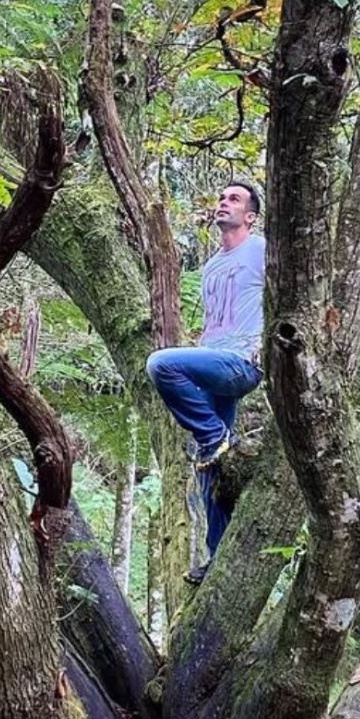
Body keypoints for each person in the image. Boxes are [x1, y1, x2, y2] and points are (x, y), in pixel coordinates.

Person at [146, 181, 265, 583]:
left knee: (161, 365)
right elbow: (216, 323)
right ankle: (220, 558)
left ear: (250, 216)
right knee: (210, 470)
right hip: (216, 360)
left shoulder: (262, 249)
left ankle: (214, 435)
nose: (223, 203)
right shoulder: (212, 264)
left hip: (243, 362)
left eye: (234, 199)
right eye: (221, 197)